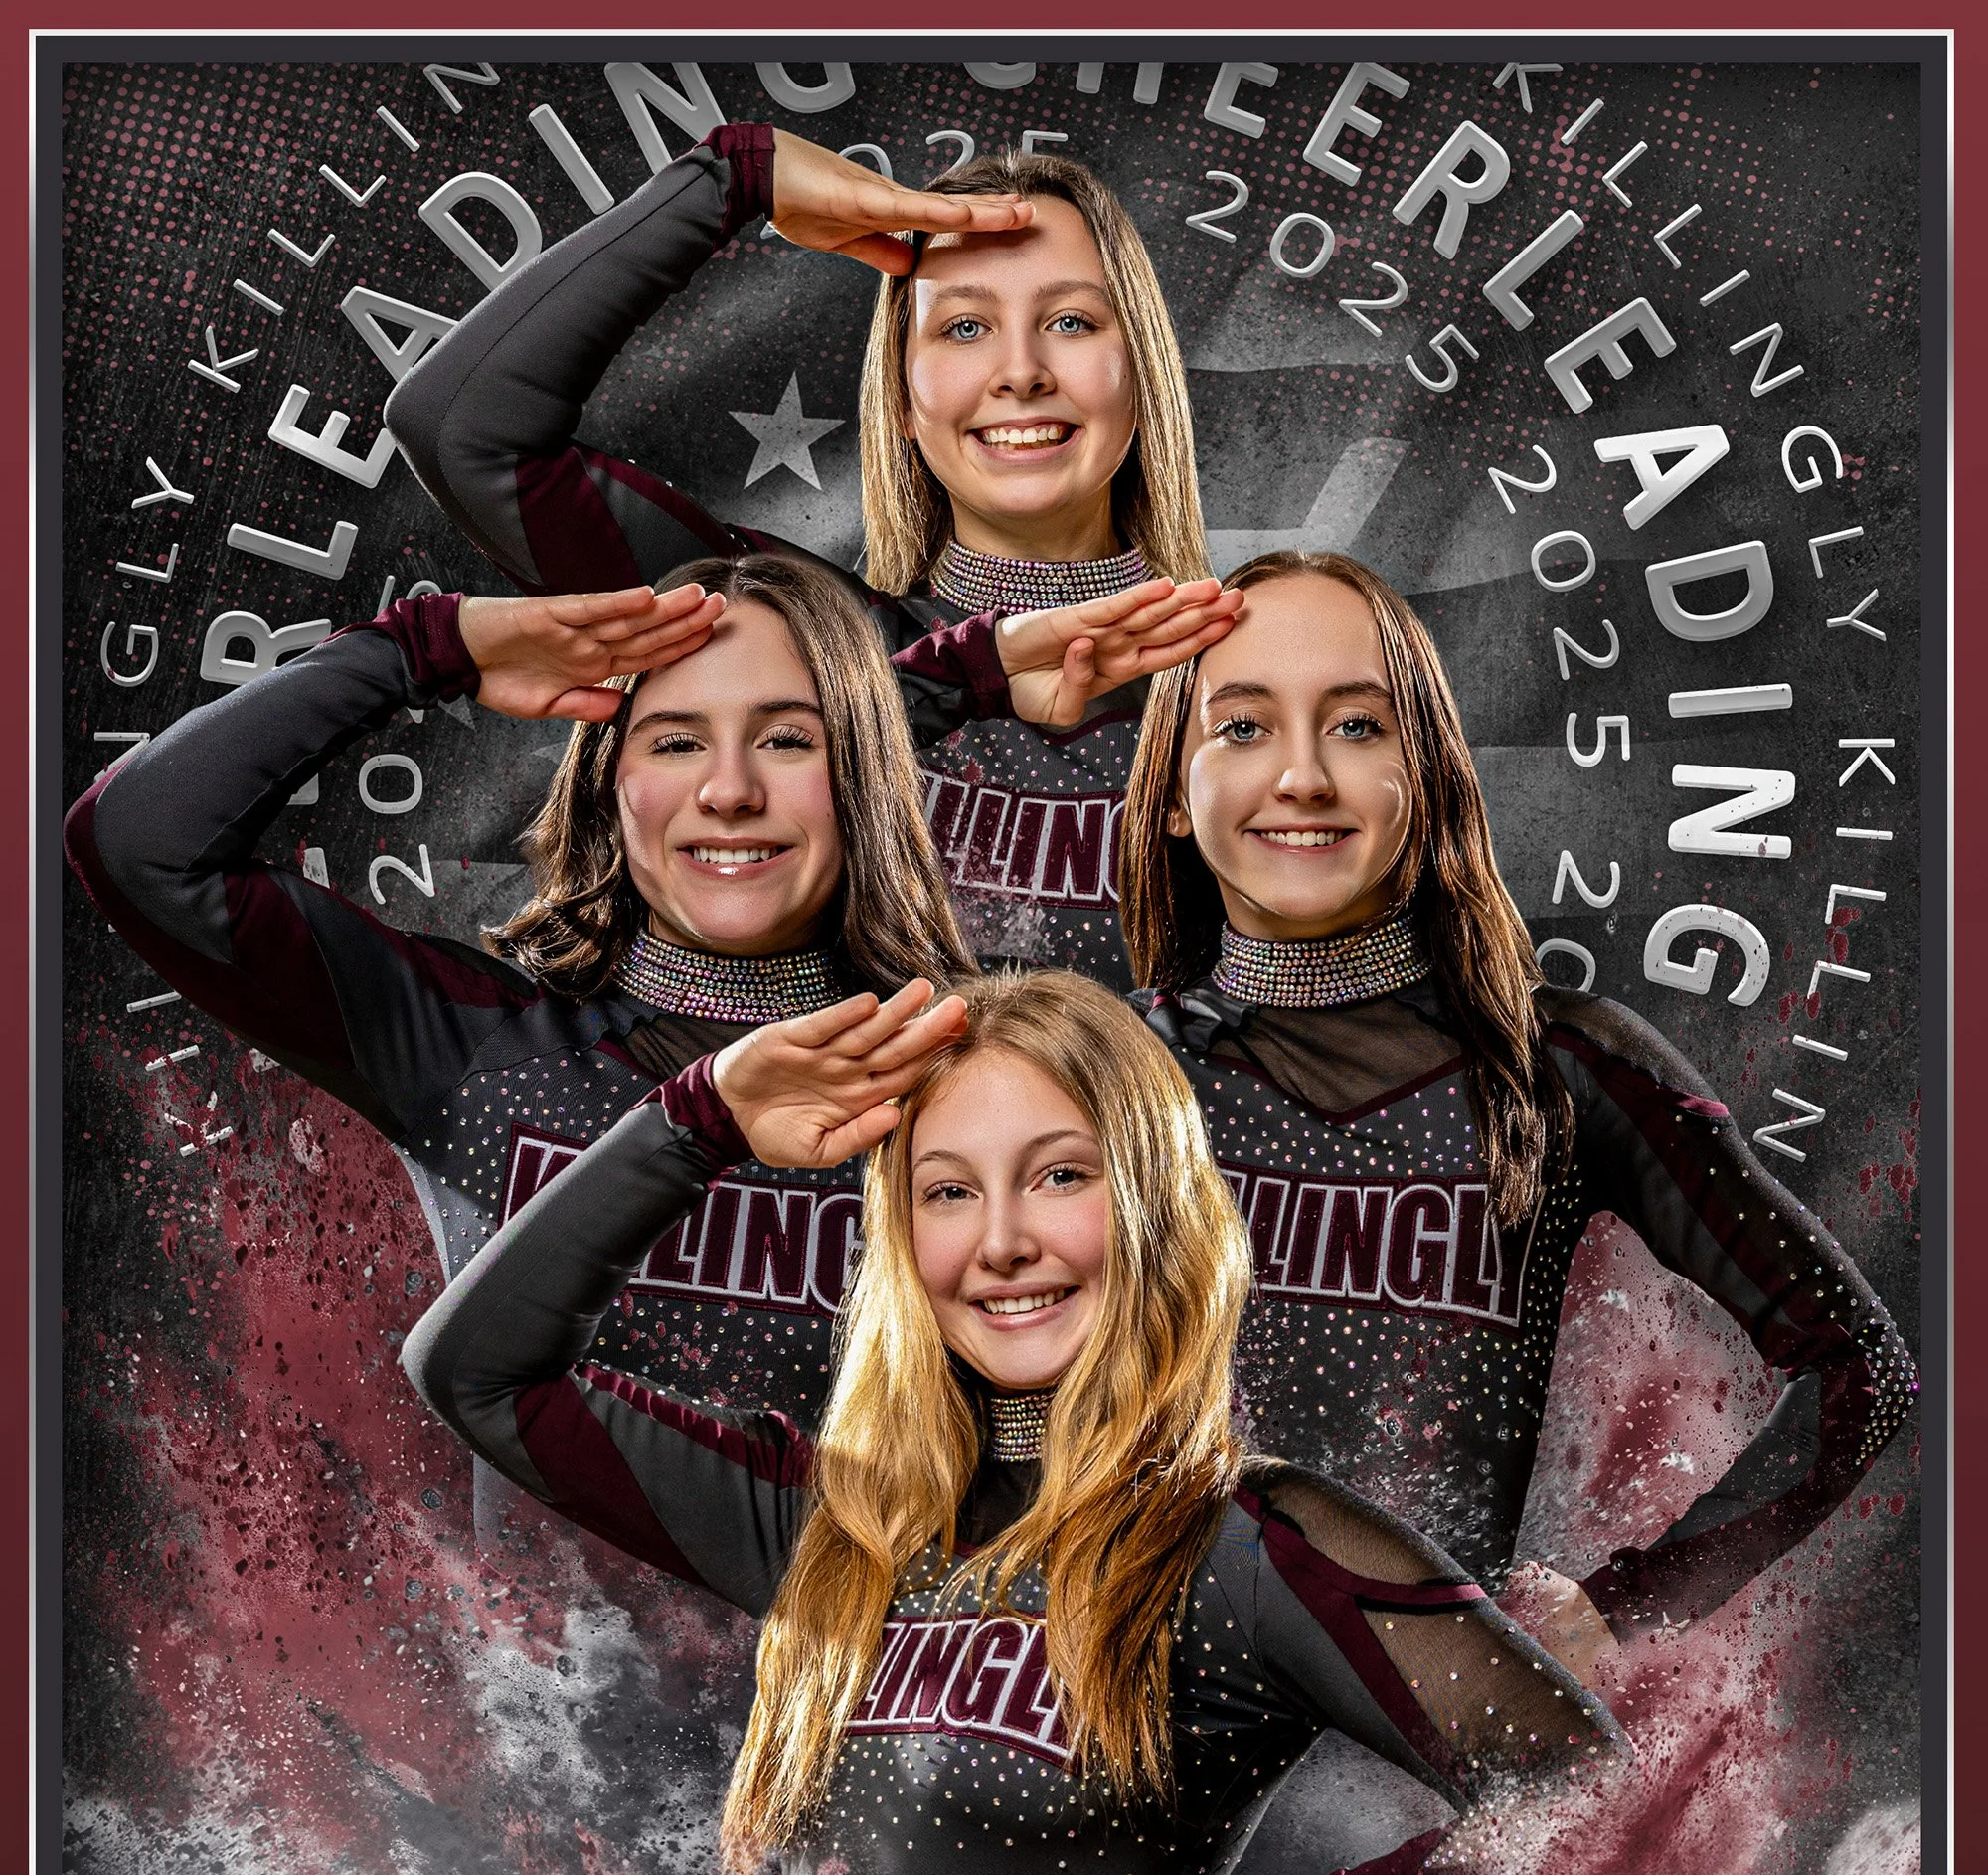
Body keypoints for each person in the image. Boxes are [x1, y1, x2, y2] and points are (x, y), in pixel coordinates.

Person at [402, 970, 1622, 1875]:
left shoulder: (1242, 1543)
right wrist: (700, 1113)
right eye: (949, 1191)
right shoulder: (830, 1520)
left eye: (1058, 1174)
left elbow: (1595, 1804)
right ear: (901, 1234)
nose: (1000, 1243)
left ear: (1149, 1199)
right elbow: (475, 1374)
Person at [1118, 550, 1918, 1669]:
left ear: (1431, 774)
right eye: (1242, 727)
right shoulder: (1101, 1073)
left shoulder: (1556, 1064)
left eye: (1356, 726)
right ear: (1166, 791)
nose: (1300, 776)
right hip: (1113, 1755)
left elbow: (1859, 1365)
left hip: (1432, 1784)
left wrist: (1622, 1603)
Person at [65, 559, 976, 1442]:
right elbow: (139, 844)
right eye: (676, 740)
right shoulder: (468, 1043)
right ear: (608, 784)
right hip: (514, 1606)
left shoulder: (978, 1066)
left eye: (787, 738)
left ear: (863, 773)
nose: (729, 790)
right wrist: (422, 648)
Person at [387, 124, 1239, 985]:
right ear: (902, 396)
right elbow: (463, 429)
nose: (1020, 371)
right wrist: (730, 180)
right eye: (966, 326)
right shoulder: (773, 630)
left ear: (1142, 369)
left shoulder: (1262, 672)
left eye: (1068, 320)